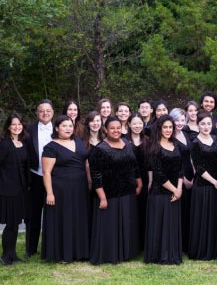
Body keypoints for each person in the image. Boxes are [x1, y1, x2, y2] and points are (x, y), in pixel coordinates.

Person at [89, 117, 142, 264]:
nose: (116, 130)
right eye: (112, 128)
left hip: (128, 192)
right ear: (105, 129)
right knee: (110, 227)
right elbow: (96, 176)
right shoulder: (99, 149)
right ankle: (110, 254)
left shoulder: (127, 144)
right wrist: (102, 197)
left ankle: (127, 252)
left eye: (118, 127)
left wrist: (139, 183)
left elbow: (134, 166)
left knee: (127, 223)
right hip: (109, 194)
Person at [41, 115, 90, 263]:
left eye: (70, 125)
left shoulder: (78, 141)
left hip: (80, 189)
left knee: (79, 219)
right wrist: (49, 193)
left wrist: (89, 183)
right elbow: (46, 172)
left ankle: (80, 252)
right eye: (64, 126)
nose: (68, 128)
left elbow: (85, 164)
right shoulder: (51, 147)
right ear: (57, 128)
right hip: (61, 191)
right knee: (65, 220)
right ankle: (63, 254)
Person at [144, 115, 183, 265]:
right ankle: (159, 255)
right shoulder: (153, 147)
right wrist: (175, 190)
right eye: (164, 127)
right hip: (160, 192)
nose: (168, 130)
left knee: (172, 224)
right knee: (160, 224)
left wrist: (178, 189)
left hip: (175, 192)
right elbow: (158, 174)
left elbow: (181, 169)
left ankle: (172, 253)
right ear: (159, 129)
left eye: (170, 127)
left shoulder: (176, 145)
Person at [188, 111, 217, 260]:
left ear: (213, 125)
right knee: (203, 219)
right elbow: (199, 168)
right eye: (202, 124)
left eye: (208, 124)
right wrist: (214, 181)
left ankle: (216, 250)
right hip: (204, 186)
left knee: (215, 218)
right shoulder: (195, 143)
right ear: (197, 125)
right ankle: (203, 251)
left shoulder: (216, 139)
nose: (205, 126)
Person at [25, 99, 54, 258]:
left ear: (53, 113)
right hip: (36, 177)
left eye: (48, 110)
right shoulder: (28, 130)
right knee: (33, 215)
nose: (45, 113)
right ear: (37, 113)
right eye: (42, 110)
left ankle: (51, 246)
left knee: (53, 214)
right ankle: (30, 249)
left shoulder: (60, 128)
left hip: (55, 178)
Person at [0, 113, 30, 266]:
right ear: (8, 127)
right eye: (13, 124)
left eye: (19, 124)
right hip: (8, 190)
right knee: (11, 223)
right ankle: (5, 256)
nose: (17, 127)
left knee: (16, 223)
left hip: (21, 190)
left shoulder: (23, 143)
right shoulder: (5, 145)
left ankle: (13, 254)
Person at [170, 108, 194, 252]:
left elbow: (190, 157)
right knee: (179, 211)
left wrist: (194, 174)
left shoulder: (185, 134)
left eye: (182, 120)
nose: (179, 123)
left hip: (191, 175)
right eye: (176, 120)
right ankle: (177, 244)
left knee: (188, 211)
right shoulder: (169, 137)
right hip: (178, 178)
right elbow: (175, 162)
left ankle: (186, 243)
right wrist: (184, 179)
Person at [127, 113, 148, 251]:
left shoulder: (148, 140)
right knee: (130, 211)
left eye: (139, 123)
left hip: (146, 180)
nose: (137, 126)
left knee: (144, 210)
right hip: (129, 180)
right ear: (129, 124)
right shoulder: (123, 141)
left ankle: (143, 243)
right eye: (134, 123)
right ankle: (131, 243)